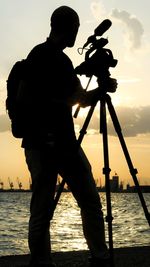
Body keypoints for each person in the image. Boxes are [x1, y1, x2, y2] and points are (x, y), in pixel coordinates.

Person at [21, 6, 117, 267]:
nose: (77, 33)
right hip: (57, 144)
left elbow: (70, 98)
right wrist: (101, 90)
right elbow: (79, 99)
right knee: (88, 200)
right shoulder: (57, 61)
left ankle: (41, 262)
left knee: (41, 208)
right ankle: (99, 256)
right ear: (70, 29)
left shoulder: (36, 55)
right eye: (76, 27)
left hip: (41, 144)